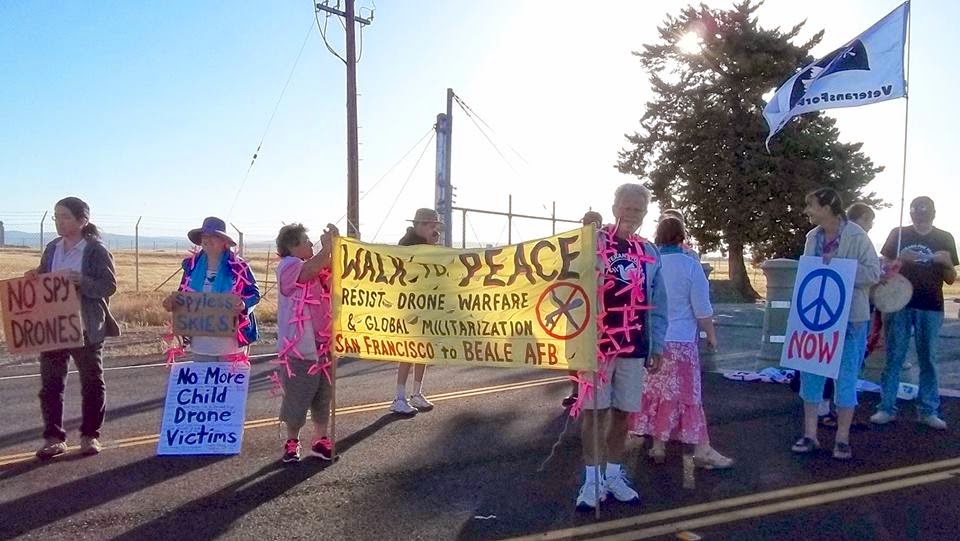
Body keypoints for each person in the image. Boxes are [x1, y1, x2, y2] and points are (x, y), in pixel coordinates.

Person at [575, 183, 667, 512]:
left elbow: (659, 301)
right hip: (596, 346)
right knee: (593, 412)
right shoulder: (593, 242)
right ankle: (591, 480)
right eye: (626, 207)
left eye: (637, 209)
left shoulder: (649, 251)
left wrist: (657, 345)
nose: (631, 214)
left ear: (645, 214)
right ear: (614, 208)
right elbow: (570, 288)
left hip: (634, 345)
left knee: (623, 413)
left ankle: (613, 475)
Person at [629, 217, 733, 469]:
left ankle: (658, 445)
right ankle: (702, 449)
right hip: (681, 341)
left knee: (657, 393)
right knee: (688, 395)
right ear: (682, 236)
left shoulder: (649, 263)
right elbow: (701, 308)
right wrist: (711, 334)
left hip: (654, 339)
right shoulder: (690, 266)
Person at [791, 189, 880, 460]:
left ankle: (842, 439)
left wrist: (841, 267)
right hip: (816, 320)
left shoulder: (857, 236)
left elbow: (873, 273)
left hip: (851, 320)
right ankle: (810, 434)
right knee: (811, 375)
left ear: (828, 207)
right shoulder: (812, 237)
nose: (807, 211)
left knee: (846, 378)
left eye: (811, 206)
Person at [29, 197, 120, 459]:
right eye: (56, 216)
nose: (59, 222)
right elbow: (45, 278)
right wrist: (34, 277)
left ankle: (90, 435)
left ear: (82, 220)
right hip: (54, 326)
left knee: (91, 382)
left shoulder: (95, 250)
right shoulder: (52, 248)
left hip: (85, 327)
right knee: (50, 385)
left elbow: (108, 286)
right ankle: (54, 438)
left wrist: (82, 280)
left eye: (65, 216)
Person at [871, 196, 958, 430]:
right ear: (911, 214)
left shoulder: (945, 238)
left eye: (925, 213)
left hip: (931, 304)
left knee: (928, 359)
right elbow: (883, 270)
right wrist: (900, 259)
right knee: (894, 357)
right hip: (899, 303)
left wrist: (947, 263)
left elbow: (950, 279)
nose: (921, 217)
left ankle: (928, 411)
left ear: (934, 213)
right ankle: (886, 408)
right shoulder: (898, 234)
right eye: (917, 213)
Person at [274, 223, 339, 463]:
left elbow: (333, 273)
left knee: (323, 396)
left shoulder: (314, 263)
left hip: (324, 344)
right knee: (298, 396)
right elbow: (308, 271)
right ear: (293, 246)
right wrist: (326, 247)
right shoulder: (288, 266)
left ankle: (320, 439)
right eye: (306, 241)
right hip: (299, 348)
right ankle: (292, 441)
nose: (311, 244)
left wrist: (335, 245)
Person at [162, 216, 260, 361]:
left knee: (230, 377)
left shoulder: (239, 266)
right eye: (204, 236)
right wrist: (172, 303)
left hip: (231, 345)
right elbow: (183, 294)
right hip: (201, 344)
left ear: (224, 241)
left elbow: (254, 294)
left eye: (214, 236)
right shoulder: (191, 266)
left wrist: (244, 304)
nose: (207, 239)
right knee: (203, 376)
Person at [389, 208, 442, 415]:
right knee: (408, 351)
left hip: (425, 302)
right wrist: (430, 245)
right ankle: (399, 397)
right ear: (419, 225)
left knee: (423, 350)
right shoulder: (407, 243)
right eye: (430, 225)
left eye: (435, 226)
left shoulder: (427, 243)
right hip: (409, 304)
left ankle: (417, 393)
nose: (433, 229)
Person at [562, 210, 603, 409]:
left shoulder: (607, 249)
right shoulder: (573, 249)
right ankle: (576, 391)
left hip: (600, 313)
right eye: (587, 222)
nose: (591, 226)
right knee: (573, 354)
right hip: (575, 311)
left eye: (595, 223)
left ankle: (595, 392)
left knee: (598, 356)